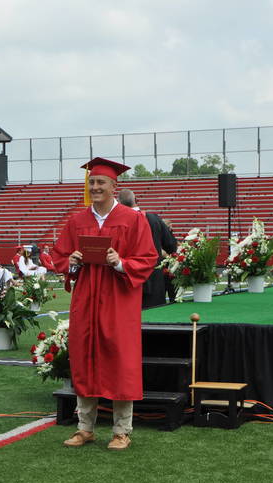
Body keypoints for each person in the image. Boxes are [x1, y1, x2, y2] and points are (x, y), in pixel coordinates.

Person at [52, 157, 157, 451]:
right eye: (92, 182)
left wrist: (121, 263)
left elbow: (148, 258)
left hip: (118, 298)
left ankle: (122, 430)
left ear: (114, 186)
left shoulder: (133, 219)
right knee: (85, 357)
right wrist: (70, 262)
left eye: (101, 182)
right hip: (86, 299)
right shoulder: (77, 221)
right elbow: (59, 255)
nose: (95, 187)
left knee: (120, 359)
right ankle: (85, 428)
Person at [118, 189, 177, 308]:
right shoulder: (154, 219)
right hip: (154, 277)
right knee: (154, 319)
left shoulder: (118, 221)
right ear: (136, 200)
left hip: (127, 277)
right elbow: (171, 246)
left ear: (119, 204)